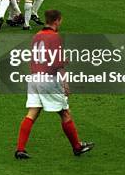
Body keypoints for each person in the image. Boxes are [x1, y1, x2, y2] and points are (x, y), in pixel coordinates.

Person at [15, 9, 94, 159]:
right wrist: (65, 82)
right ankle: (77, 147)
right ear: (57, 20)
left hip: (34, 78)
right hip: (48, 80)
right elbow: (57, 63)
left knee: (32, 113)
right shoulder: (55, 37)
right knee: (65, 113)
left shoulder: (37, 36)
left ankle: (20, 149)